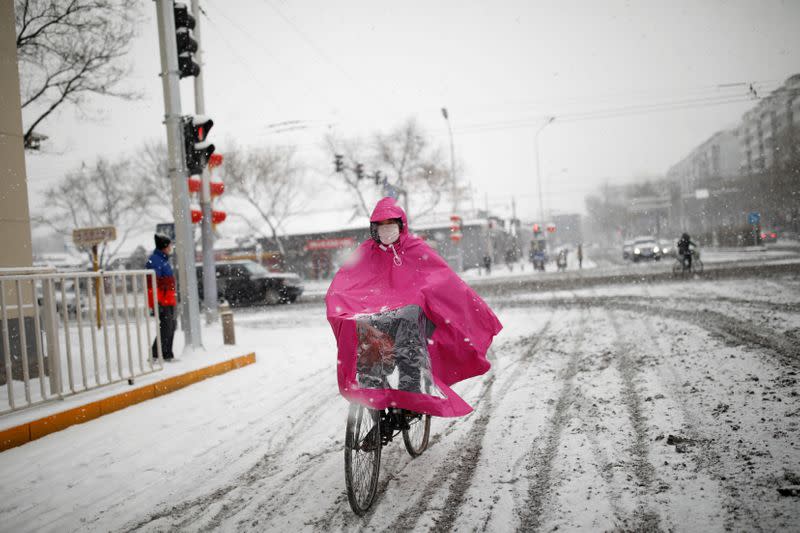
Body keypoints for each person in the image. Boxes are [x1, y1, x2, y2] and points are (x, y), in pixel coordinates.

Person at [326, 197, 502, 418]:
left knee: (408, 352)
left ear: (401, 226)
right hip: (375, 316)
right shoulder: (366, 253)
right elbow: (346, 283)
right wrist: (341, 307)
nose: (386, 230)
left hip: (409, 319)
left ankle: (410, 402)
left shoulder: (415, 248)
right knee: (369, 358)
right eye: (380, 226)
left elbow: (441, 278)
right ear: (374, 229)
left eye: (391, 225)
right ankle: (377, 411)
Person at [146, 233, 177, 361]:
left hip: (169, 299)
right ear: (164, 246)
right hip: (162, 300)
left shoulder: (163, 260)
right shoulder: (155, 261)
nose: (171, 247)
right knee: (166, 326)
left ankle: (167, 353)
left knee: (171, 325)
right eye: (169, 245)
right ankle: (155, 354)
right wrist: (155, 302)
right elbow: (152, 284)